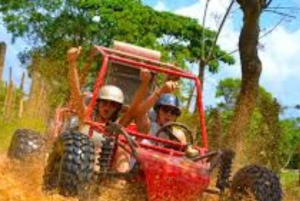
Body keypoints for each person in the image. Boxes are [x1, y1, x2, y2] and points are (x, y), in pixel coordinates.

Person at [66, 46, 152, 174]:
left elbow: (133, 108)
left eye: (112, 105)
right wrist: (72, 63)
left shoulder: (117, 127)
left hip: (102, 174)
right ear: (98, 103)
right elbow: (75, 91)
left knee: (123, 152)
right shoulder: (86, 117)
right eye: (104, 103)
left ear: (117, 108)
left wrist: (145, 83)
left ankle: (115, 190)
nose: (107, 107)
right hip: (76, 170)